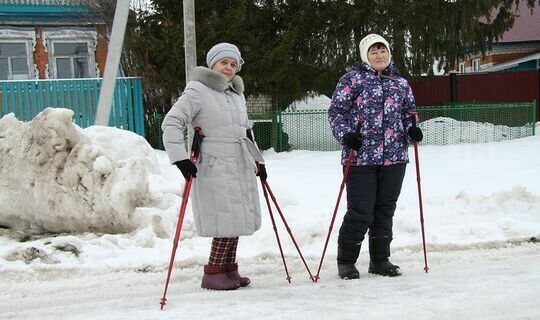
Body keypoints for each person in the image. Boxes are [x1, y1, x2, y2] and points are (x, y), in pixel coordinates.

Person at [161, 42, 267, 290]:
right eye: (223, 62)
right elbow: (172, 122)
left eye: (233, 64)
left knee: (237, 218)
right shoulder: (198, 90)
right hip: (214, 164)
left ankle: (229, 269)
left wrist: (258, 161)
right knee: (224, 220)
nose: (228, 68)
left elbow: (246, 131)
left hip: (239, 162)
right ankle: (213, 271)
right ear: (212, 64)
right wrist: (179, 158)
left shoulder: (236, 94)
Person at [328, 33, 423, 280]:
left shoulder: (400, 83)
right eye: (374, 51)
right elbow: (336, 112)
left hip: (394, 157)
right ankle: (346, 262)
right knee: (360, 211)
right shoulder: (351, 80)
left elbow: (409, 113)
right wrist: (346, 135)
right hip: (360, 157)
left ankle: (380, 260)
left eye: (383, 51)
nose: (379, 55)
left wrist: (412, 128)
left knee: (384, 210)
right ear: (365, 55)